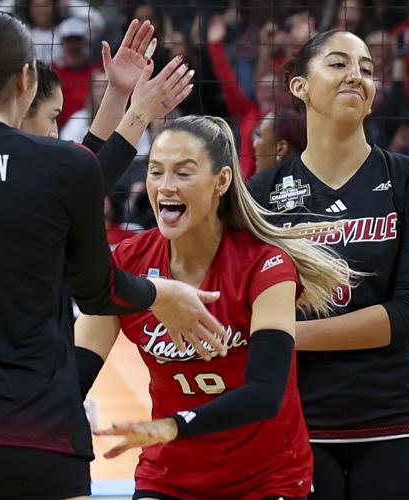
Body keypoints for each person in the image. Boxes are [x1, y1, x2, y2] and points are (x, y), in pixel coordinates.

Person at [0, 10, 226, 499]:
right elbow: (97, 290)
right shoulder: (59, 167)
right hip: (33, 428)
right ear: (25, 78)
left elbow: (49, 182)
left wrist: (123, 102)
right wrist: (162, 293)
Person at [75, 115, 350, 499]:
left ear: (221, 182)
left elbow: (266, 393)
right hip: (169, 477)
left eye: (183, 172)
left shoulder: (265, 264)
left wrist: (173, 425)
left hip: (267, 478)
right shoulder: (128, 262)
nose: (165, 185)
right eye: (156, 171)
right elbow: (76, 372)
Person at [248, 30, 409, 500]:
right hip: (294, 421)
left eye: (367, 69)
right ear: (299, 86)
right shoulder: (261, 195)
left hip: (393, 420)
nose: (356, 75)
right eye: (338, 64)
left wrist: (285, 333)